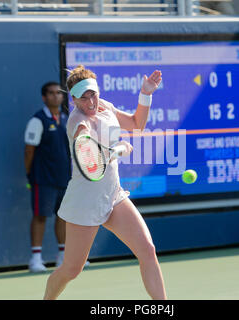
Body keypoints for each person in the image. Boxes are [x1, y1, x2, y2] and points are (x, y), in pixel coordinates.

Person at [43, 65, 167, 300]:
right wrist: (118, 150)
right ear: (74, 99)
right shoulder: (78, 123)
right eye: (83, 98)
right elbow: (90, 155)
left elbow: (136, 124)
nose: (90, 102)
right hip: (85, 202)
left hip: (113, 195)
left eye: (93, 94)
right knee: (71, 270)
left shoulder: (105, 106)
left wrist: (146, 94)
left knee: (147, 250)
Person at [24, 82, 79, 272]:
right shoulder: (37, 121)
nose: (56, 96)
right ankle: (36, 259)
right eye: (51, 93)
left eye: (59, 93)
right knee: (40, 217)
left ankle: (62, 256)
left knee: (63, 217)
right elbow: (29, 151)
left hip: (64, 178)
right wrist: (31, 176)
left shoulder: (65, 119)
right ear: (44, 97)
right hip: (42, 180)